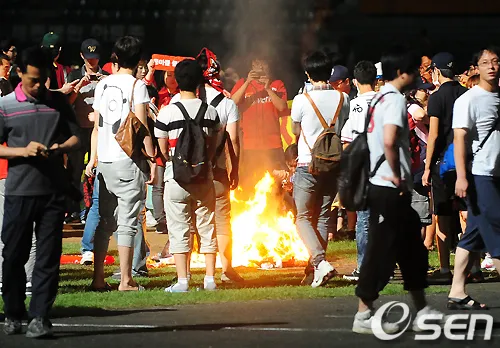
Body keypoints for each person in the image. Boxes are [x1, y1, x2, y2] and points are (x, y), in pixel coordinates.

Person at [352, 46, 441, 335]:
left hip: (381, 184)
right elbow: (390, 140)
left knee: (410, 248)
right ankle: (364, 312)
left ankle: (421, 307)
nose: (416, 75)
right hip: (390, 186)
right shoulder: (392, 101)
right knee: (382, 249)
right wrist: (397, 176)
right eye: (413, 70)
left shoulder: (377, 99)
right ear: (401, 73)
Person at [0, 46, 80, 338]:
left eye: (43, 79)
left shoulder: (58, 102)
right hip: (19, 191)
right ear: (19, 73)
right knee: (13, 256)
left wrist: (60, 147)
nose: (38, 85)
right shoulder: (6, 105)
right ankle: (12, 311)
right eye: (33, 79)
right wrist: (23, 151)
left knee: (48, 257)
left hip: (52, 192)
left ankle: (40, 316)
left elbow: (75, 136)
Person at [90, 36, 156, 292]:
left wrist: (93, 157)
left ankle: (98, 278)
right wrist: (151, 158)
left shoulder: (103, 85)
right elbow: (141, 126)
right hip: (128, 160)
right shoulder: (137, 86)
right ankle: (126, 280)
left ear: (116, 57)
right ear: (138, 60)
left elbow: (97, 126)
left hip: (105, 160)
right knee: (128, 221)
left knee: (105, 222)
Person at [155, 59, 220, 293]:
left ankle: (183, 281)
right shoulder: (210, 111)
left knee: (178, 227)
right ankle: (210, 279)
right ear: (200, 81)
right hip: (204, 176)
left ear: (177, 81)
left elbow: (162, 147)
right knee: (207, 225)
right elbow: (213, 144)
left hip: (177, 177)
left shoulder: (167, 112)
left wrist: (173, 161)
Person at [291, 51, 349, 288]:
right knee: (324, 216)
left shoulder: (301, 100)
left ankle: (320, 262)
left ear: (308, 74)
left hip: (307, 163)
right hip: (333, 162)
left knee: (302, 217)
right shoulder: (342, 98)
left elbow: (295, 130)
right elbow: (343, 126)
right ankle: (317, 269)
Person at [448, 47, 500, 310]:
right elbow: (459, 137)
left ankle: (457, 292)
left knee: (472, 237)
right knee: (498, 232)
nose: (491, 66)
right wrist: (461, 176)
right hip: (482, 174)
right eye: (485, 62)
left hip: (496, 174)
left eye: (495, 61)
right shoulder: (468, 99)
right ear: (475, 68)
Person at [196, 47, 243, 283]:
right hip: (216, 171)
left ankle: (187, 275)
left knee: (194, 220)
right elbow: (233, 140)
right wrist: (235, 169)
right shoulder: (227, 104)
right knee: (222, 220)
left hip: (188, 172)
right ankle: (226, 270)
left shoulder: (180, 100)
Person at [421, 53, 468, 281]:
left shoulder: (437, 98)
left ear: (437, 71)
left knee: (442, 216)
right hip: (467, 162)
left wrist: (428, 166)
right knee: (467, 214)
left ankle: (445, 268)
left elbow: (434, 135)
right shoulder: (467, 94)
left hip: (443, 164)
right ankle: (474, 267)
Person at [340, 60, 378, 282]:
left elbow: (348, 140)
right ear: (375, 80)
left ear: (354, 81)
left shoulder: (355, 105)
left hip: (364, 166)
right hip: (386, 166)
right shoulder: (387, 102)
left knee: (364, 219)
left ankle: (364, 267)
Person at [231, 56, 288, 196]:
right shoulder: (243, 83)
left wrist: (268, 89)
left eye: (263, 64)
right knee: (250, 184)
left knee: (277, 185)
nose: (260, 68)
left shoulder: (277, 84)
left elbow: (282, 107)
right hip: (250, 145)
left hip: (273, 145)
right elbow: (232, 102)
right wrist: (247, 82)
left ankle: (278, 212)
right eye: (256, 64)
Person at [65, 38, 108, 225]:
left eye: (95, 58)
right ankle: (74, 210)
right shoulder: (74, 75)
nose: (92, 62)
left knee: (99, 170)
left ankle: (97, 209)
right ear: (82, 56)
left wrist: (107, 83)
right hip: (78, 129)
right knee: (75, 171)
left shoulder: (107, 77)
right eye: (89, 58)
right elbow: (67, 104)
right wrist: (78, 87)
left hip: (99, 130)